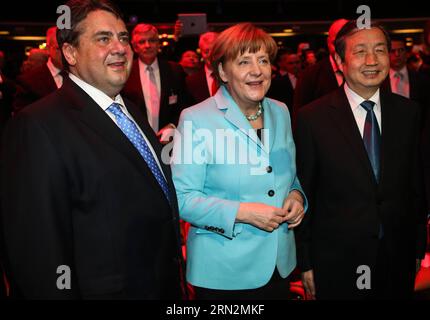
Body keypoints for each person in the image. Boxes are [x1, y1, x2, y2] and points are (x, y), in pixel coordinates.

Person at [1, 0, 185, 299]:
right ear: (70, 53)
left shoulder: (131, 112)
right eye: (103, 38)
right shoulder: (37, 127)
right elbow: (38, 255)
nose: (120, 47)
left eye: (123, 38)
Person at [172, 23, 306, 300]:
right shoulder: (196, 119)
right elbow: (183, 199)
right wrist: (243, 212)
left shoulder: (280, 111)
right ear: (223, 71)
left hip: (279, 267)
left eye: (263, 60)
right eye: (244, 61)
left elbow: (289, 176)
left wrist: (296, 195)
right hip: (224, 273)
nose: (256, 70)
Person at [294, 20, 427, 300]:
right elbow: (305, 193)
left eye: (380, 50)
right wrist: (305, 261)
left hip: (397, 255)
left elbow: (415, 187)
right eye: (360, 51)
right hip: (337, 260)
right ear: (339, 60)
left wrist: (417, 247)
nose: (372, 60)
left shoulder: (409, 113)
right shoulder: (312, 119)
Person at [122, 23, 190, 143]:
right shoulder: (125, 72)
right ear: (134, 46)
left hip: (169, 143)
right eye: (142, 42)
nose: (147, 45)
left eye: (152, 40)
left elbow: (184, 104)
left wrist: (173, 125)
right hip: (135, 141)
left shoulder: (174, 70)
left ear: (158, 43)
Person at [293, 19, 348, 116]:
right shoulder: (309, 75)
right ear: (328, 42)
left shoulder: (363, 71)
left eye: (346, 43)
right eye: (336, 43)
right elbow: (299, 115)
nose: (341, 49)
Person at [13, 27, 63, 113]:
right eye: (59, 48)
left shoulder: (81, 76)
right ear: (48, 49)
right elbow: (22, 118)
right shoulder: (29, 81)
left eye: (69, 48)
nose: (65, 53)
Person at [382, 37, 430, 122]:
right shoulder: (380, 81)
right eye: (393, 51)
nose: (397, 54)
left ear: (407, 53)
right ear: (387, 54)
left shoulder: (421, 80)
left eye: (401, 50)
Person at [185, 31, 219, 104]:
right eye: (206, 51)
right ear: (201, 53)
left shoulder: (232, 77)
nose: (211, 55)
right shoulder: (190, 81)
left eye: (214, 50)